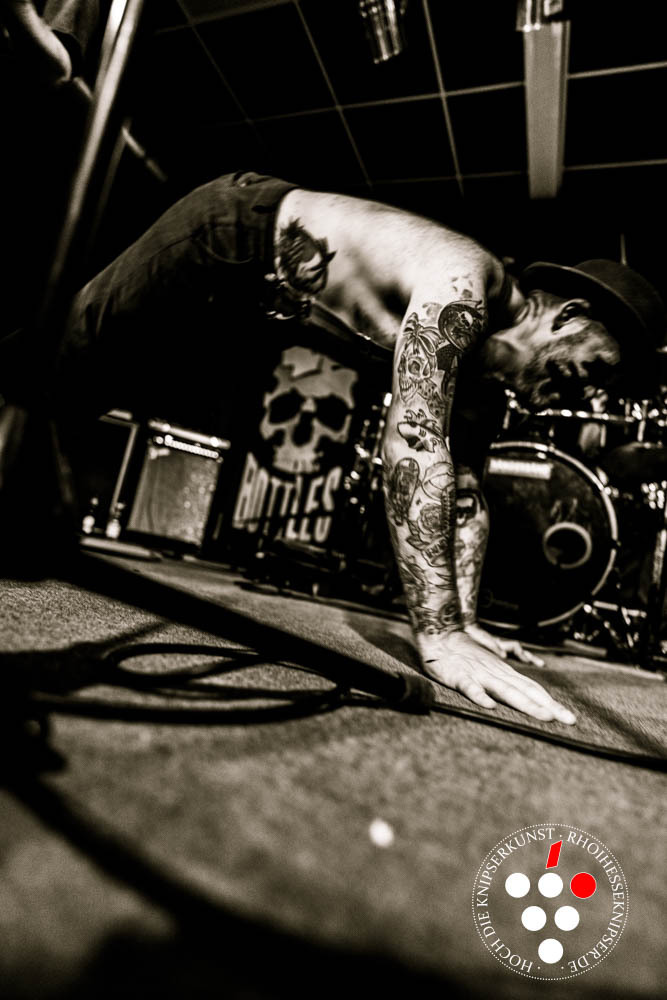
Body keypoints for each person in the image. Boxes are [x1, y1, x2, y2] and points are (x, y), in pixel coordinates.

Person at [2, 170, 665, 725]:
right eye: (596, 368)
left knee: (70, 396)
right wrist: (438, 637)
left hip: (253, 307)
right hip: (230, 232)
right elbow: (413, 439)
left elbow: (463, 497)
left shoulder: (483, 384)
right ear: (569, 316)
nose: (590, 392)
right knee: (53, 367)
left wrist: (463, 621)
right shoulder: (467, 283)